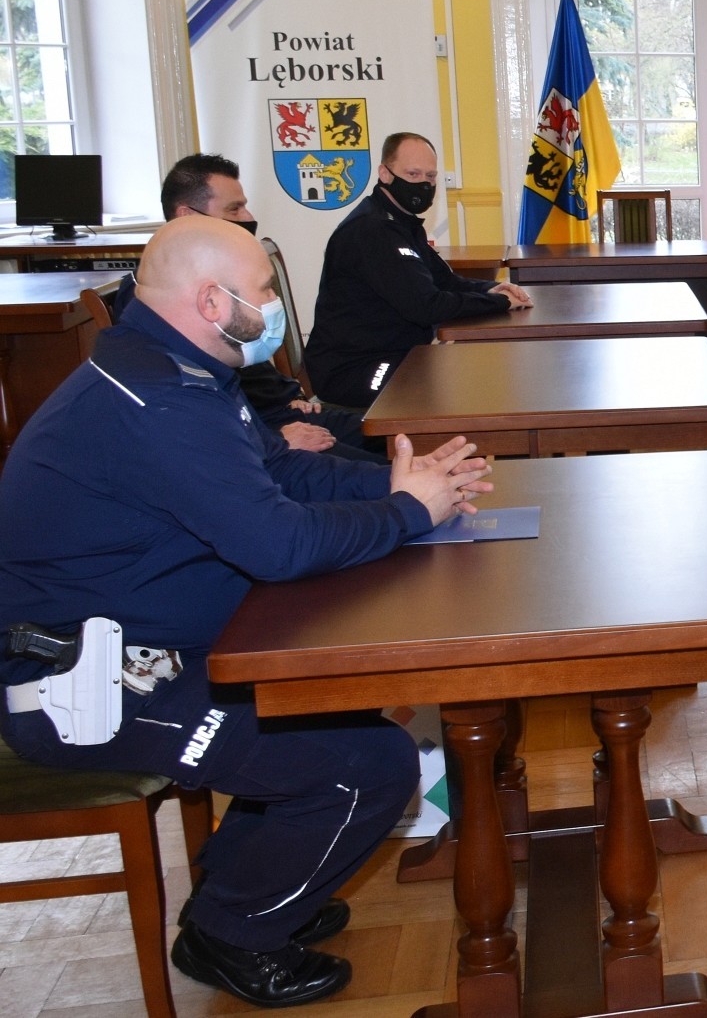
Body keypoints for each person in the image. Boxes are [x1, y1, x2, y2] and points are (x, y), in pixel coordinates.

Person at [0, 216, 495, 1007]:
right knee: (366, 766)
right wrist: (407, 512)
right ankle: (233, 932)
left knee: (334, 712)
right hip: (86, 688)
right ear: (211, 301)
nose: (272, 308)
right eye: (263, 291)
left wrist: (401, 482)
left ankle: (250, 890)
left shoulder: (177, 372)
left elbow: (285, 477)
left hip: (160, 651)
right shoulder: (156, 402)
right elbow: (278, 544)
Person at [111, 154, 379, 462]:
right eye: (233, 209)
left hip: (287, 414)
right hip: (266, 437)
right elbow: (201, 419)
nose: (247, 217)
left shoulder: (223, 281)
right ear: (187, 216)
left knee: (397, 440)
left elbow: (251, 373)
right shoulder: (155, 301)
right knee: (388, 469)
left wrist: (290, 395)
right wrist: (273, 440)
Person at [306, 132, 533, 409]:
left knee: (484, 378)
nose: (423, 185)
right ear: (385, 174)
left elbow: (445, 281)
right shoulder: (371, 231)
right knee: (468, 392)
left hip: (396, 354)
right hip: (354, 371)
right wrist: (499, 303)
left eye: (430, 176)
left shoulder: (402, 222)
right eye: (413, 174)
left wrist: (491, 289)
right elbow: (426, 307)